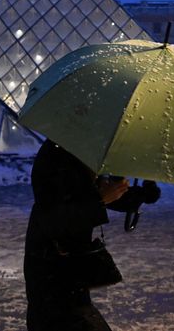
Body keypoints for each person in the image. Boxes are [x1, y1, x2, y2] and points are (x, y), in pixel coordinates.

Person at [24, 139, 129, 331]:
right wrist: (100, 199)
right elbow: (56, 214)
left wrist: (134, 195)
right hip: (52, 264)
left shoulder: (70, 149)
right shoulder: (57, 156)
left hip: (64, 266)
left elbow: (86, 195)